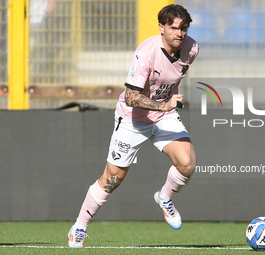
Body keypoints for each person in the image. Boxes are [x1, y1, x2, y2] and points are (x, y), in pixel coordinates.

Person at [68, 4, 199, 248]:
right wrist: (165, 104)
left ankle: (164, 197)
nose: (179, 34)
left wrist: (167, 104)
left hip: (163, 115)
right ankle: (79, 226)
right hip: (132, 119)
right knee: (112, 178)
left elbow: (172, 78)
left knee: (187, 162)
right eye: (173, 28)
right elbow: (130, 97)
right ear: (161, 27)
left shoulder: (192, 49)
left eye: (183, 28)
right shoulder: (146, 53)